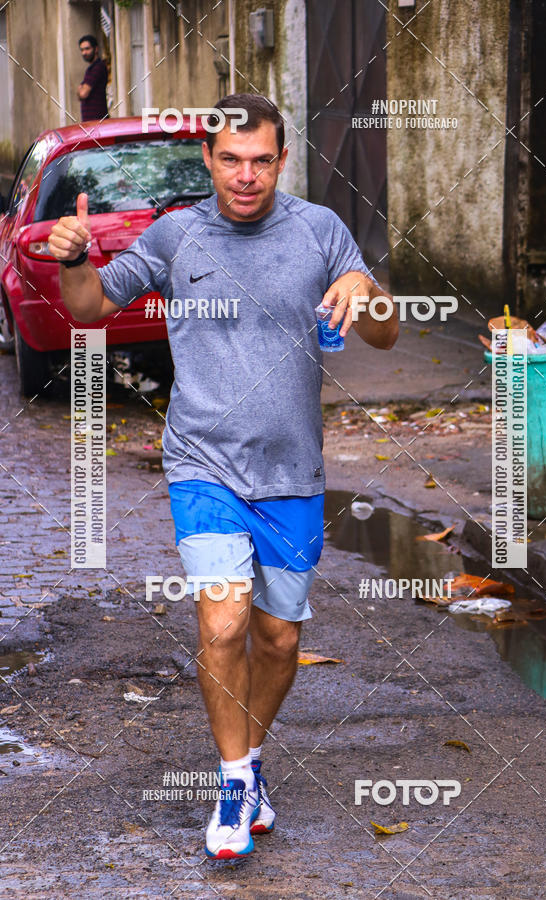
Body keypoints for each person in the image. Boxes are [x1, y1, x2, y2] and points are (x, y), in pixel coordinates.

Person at [48, 93, 399, 860]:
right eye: (231, 160)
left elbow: (385, 333)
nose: (246, 176)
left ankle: (252, 756)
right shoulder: (176, 236)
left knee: (278, 639)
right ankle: (234, 781)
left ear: (282, 160)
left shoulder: (320, 230)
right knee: (224, 623)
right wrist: (75, 258)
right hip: (202, 463)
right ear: (207, 159)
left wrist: (367, 293)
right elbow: (90, 307)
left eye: (262, 161)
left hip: (293, 472)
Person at [78, 34, 108, 122]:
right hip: (91, 121)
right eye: (82, 50)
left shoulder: (98, 67)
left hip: (97, 121)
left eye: (87, 49)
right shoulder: (91, 69)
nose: (84, 53)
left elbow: (83, 93)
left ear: (96, 49)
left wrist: (81, 89)